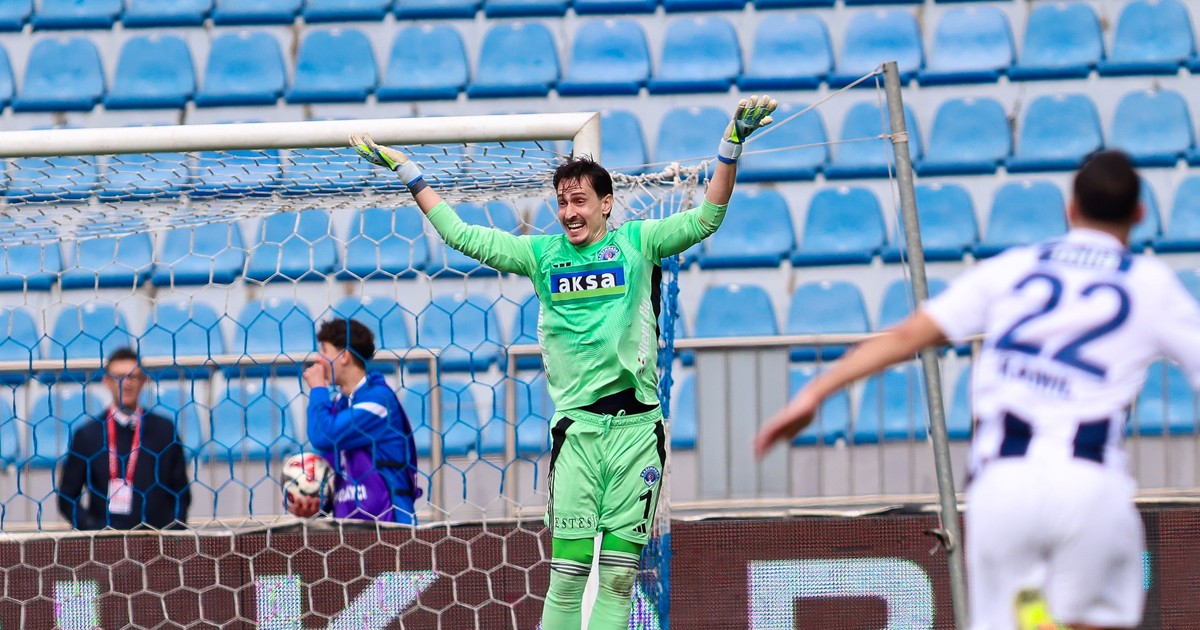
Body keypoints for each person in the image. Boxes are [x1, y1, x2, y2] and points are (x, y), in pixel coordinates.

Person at [351, 95, 776, 629]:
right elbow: (460, 236)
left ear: (606, 203)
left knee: (618, 579)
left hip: (638, 434)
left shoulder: (639, 243)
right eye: (561, 202)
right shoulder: (542, 255)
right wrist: (409, 171)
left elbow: (708, 217)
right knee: (569, 576)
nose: (569, 212)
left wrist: (730, 147)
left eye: (579, 200)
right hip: (578, 434)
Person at [754, 151, 1186, 630]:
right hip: (1088, 483)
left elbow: (907, 336)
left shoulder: (1014, 268)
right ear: (1140, 213)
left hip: (1004, 486)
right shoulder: (1151, 285)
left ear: (1070, 208)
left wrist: (814, 393)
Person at [292, 317, 421, 524]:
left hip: (390, 526)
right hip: (346, 528)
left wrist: (318, 389)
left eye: (324, 350)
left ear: (344, 356)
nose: (318, 359)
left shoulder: (379, 401)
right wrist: (313, 504)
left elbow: (323, 436)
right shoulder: (336, 407)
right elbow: (332, 477)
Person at [57, 347, 191, 530]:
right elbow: (67, 497)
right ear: (106, 381)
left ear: (144, 381)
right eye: (119, 377)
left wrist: (171, 534)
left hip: (157, 539)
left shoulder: (164, 431)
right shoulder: (87, 434)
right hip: (105, 541)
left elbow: (181, 492)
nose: (126, 383)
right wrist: (93, 531)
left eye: (133, 377)